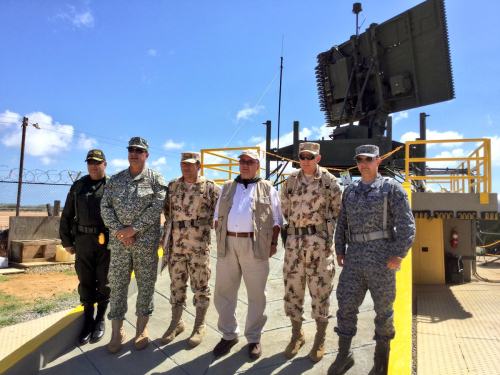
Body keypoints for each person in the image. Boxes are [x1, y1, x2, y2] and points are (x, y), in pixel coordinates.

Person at [328, 145, 415, 375]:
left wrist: (399, 254)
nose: (363, 163)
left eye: (368, 159)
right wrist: (340, 249)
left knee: (384, 312)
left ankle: (381, 361)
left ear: (378, 161)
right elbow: (342, 223)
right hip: (354, 259)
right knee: (345, 306)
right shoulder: (351, 190)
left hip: (382, 261)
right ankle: (344, 355)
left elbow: (407, 225)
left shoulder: (391, 188)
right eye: (359, 159)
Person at [212, 149, 283, 359]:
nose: (245, 165)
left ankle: (253, 338)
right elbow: (217, 217)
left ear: (257, 166)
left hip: (255, 245)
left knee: (256, 294)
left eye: (250, 162)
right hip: (228, 244)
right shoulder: (227, 187)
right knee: (223, 292)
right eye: (242, 161)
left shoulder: (267, 188)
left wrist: (272, 243)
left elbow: (277, 220)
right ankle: (228, 335)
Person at [100, 137, 167, 354]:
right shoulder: (116, 180)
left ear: (147, 154)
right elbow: (105, 207)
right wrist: (121, 232)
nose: (134, 153)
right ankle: (117, 330)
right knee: (118, 285)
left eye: (139, 150)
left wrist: (134, 229)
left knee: (145, 285)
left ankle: (142, 327)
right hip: (120, 244)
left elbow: (157, 206)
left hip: (145, 244)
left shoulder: (156, 178)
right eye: (131, 150)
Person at [280, 142, 343, 362]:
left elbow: (337, 211)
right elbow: (284, 209)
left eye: (310, 156)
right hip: (294, 247)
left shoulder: (329, 182)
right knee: (292, 291)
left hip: (319, 247)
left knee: (321, 293)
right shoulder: (290, 181)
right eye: (302, 156)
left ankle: (320, 338)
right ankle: (297, 335)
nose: (306, 160)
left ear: (318, 158)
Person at [161, 152, 221, 347]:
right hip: (176, 245)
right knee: (176, 284)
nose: (185, 168)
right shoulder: (172, 186)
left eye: (190, 164)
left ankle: (199, 324)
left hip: (199, 246)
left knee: (200, 285)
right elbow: (167, 211)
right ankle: (176, 322)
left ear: (198, 166)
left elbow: (221, 212)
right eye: (183, 164)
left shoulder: (210, 187)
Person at [60, 149, 110, 345]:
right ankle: (88, 318)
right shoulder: (78, 186)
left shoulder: (112, 185)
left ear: (104, 164)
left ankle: (100, 319)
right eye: (90, 162)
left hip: (106, 243)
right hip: (82, 242)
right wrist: (67, 242)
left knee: (105, 280)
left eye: (97, 162)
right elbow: (66, 215)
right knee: (85, 280)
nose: (93, 165)